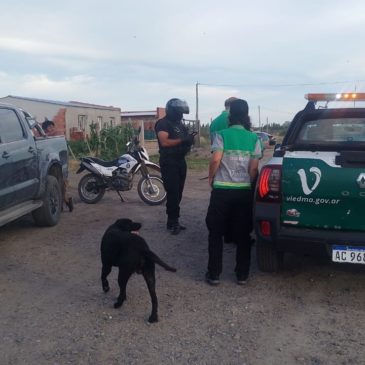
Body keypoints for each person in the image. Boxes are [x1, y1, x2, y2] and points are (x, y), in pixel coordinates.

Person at [205, 99, 262, 286]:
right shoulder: (254, 138)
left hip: (221, 190)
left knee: (216, 232)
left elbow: (215, 160)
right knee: (243, 234)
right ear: (246, 116)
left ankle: (214, 274)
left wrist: (211, 178)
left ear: (230, 115)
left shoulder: (221, 135)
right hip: (243, 192)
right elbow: (254, 168)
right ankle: (242, 275)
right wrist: (249, 182)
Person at [155, 98, 195, 235]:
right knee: (172, 192)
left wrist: (189, 140)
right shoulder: (163, 124)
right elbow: (165, 142)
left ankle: (173, 220)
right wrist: (183, 140)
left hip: (180, 161)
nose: (181, 115)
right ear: (172, 111)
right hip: (169, 162)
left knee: (179, 192)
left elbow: (183, 140)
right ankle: (173, 221)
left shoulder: (180, 125)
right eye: (179, 113)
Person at [210, 97, 237, 244]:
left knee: (221, 203)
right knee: (235, 203)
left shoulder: (214, 122)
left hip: (218, 166)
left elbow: (214, 151)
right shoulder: (234, 120)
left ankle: (222, 232)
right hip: (234, 166)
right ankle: (232, 234)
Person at [42, 119, 74, 212]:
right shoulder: (46, 137)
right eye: (49, 127)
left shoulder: (57, 135)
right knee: (57, 187)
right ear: (45, 129)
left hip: (60, 166)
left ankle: (67, 202)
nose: (51, 129)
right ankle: (65, 203)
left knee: (61, 186)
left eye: (52, 126)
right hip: (53, 166)